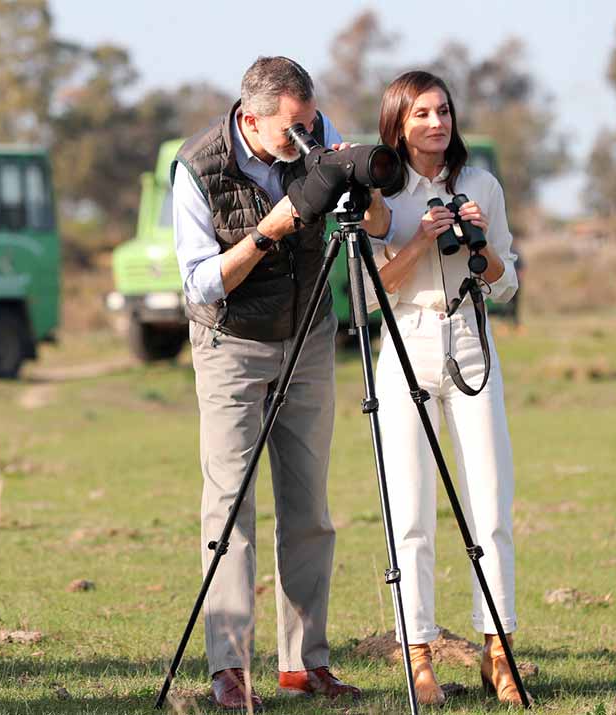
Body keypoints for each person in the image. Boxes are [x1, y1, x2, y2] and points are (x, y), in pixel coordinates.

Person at [172, 56, 390, 710]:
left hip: (309, 334)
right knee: (231, 506)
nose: (304, 137)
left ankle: (306, 663)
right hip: (231, 341)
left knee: (311, 509)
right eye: (292, 128)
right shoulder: (197, 166)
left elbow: (376, 227)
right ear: (251, 119)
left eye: (311, 121)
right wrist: (277, 224)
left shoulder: (317, 135)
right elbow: (200, 282)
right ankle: (230, 671)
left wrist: (351, 182)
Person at [370, 70, 528, 706]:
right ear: (399, 124)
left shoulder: (482, 183)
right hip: (407, 342)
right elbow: (379, 290)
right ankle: (419, 654)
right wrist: (420, 239)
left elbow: (506, 279)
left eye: (443, 111)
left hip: (470, 339)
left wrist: (479, 240)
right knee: (410, 512)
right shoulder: (381, 192)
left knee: (490, 503)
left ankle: (499, 651)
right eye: (422, 115)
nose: (437, 124)